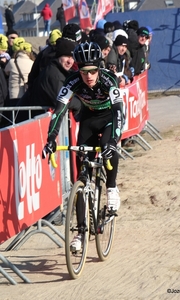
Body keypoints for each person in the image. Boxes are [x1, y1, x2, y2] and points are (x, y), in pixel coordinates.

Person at [42, 42, 123, 251]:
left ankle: (112, 187)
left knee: (107, 146)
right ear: (78, 69)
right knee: (81, 178)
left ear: (99, 67)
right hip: (88, 119)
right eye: (84, 71)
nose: (89, 76)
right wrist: (51, 139)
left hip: (108, 118)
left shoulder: (108, 79)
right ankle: (80, 233)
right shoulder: (72, 81)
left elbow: (118, 111)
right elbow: (59, 110)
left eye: (93, 71)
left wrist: (114, 140)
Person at [16, 38, 80, 122]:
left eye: (72, 58)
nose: (70, 61)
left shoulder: (61, 71)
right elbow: (61, 99)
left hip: (36, 121)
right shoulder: (53, 75)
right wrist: (79, 104)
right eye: (67, 56)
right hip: (29, 123)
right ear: (58, 56)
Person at [4, 39, 35, 105]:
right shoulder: (32, 63)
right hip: (27, 93)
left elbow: (6, 72)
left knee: (14, 114)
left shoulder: (12, 62)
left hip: (14, 95)